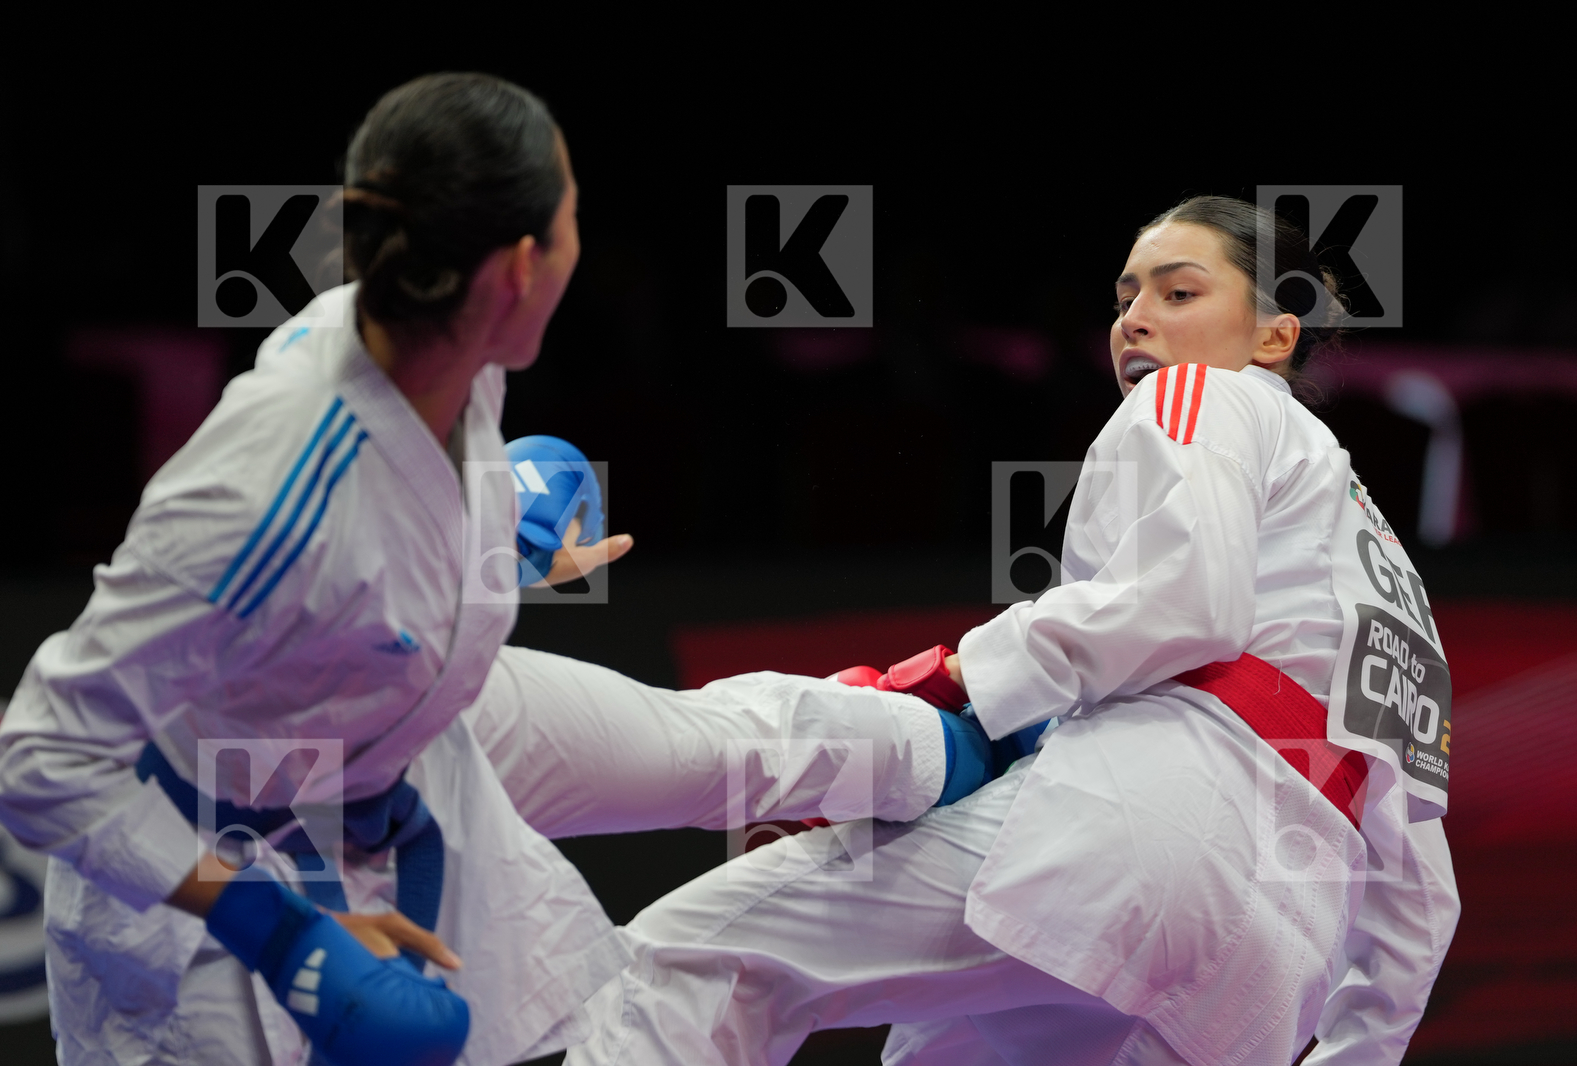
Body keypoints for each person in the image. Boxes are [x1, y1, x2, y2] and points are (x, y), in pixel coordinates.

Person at [0, 73, 977, 1066]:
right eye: (573, 220)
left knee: (714, 744)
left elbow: (383, 558)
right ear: (521, 265)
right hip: (214, 872)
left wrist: (500, 519)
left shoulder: (446, 341)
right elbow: (41, 759)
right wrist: (275, 929)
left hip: (400, 730)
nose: (583, 247)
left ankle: (961, 724)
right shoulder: (259, 489)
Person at [565, 196, 1462, 1066]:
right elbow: (1423, 893)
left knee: (689, 958)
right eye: (1124, 299)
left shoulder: (1207, 395)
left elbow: (1182, 607)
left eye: (1178, 294)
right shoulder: (1384, 573)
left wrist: (961, 677)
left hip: (1139, 841)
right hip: (1268, 964)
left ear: (1274, 336)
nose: (1137, 320)